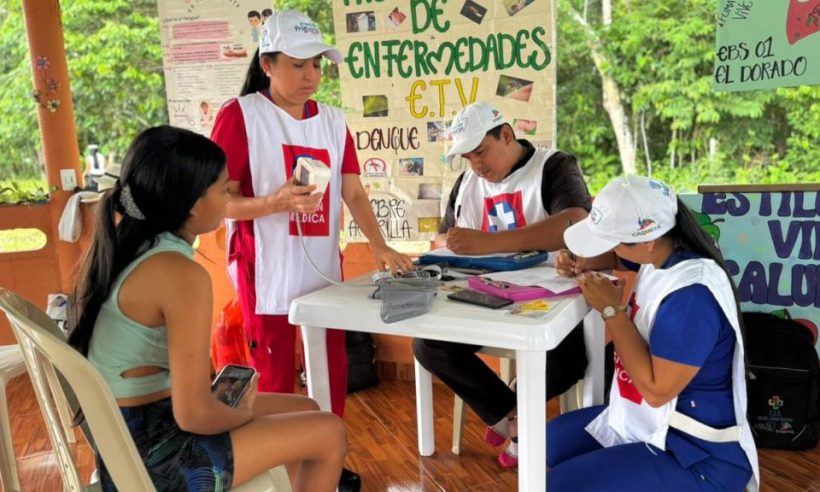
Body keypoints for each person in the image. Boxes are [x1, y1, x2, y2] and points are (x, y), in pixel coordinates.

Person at [68, 126, 348, 492]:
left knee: (308, 408)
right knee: (329, 433)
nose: (229, 197)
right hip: (156, 458)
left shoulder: (134, 248)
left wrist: (231, 408)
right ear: (192, 204)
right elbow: (195, 413)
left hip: (130, 436)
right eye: (223, 189)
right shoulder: (180, 274)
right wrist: (240, 413)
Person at [210, 10, 412, 490]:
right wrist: (274, 202)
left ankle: (326, 453)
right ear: (267, 63)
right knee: (274, 372)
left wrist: (381, 247)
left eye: (317, 65)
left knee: (331, 366)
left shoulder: (333, 121)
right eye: (299, 64)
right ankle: (281, 470)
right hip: (266, 269)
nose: (310, 76)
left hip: (322, 265)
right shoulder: (240, 117)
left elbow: (354, 193)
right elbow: (219, 201)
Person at [547, 175, 759, 491]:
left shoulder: (691, 297)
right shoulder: (662, 253)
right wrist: (579, 259)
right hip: (651, 421)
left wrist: (611, 311)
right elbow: (621, 257)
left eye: (611, 240)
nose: (608, 249)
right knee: (550, 443)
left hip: (698, 454)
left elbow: (657, 390)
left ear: (646, 241)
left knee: (563, 484)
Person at [412, 102, 593, 468]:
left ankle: (510, 408)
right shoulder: (468, 183)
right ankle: (513, 419)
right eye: (467, 157)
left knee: (568, 360)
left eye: (480, 151)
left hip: (549, 298)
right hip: (484, 296)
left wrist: (490, 243)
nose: (476, 165)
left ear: (506, 135)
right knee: (428, 343)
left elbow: (577, 222)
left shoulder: (555, 166)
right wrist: (450, 245)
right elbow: (445, 238)